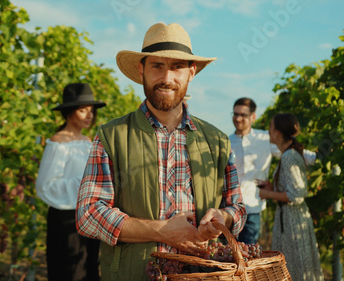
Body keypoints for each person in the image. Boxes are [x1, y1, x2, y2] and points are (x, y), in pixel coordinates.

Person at [76, 23, 247, 281]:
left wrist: (222, 216)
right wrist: (162, 231)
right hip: (130, 275)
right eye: (157, 66)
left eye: (177, 66)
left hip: (200, 274)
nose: (167, 78)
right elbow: (88, 214)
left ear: (191, 73)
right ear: (141, 69)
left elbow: (238, 208)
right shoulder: (112, 136)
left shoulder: (217, 141)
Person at [35, 83, 105, 281]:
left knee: (90, 269)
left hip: (88, 216)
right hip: (66, 219)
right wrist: (84, 184)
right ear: (69, 112)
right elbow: (44, 186)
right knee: (70, 272)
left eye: (91, 111)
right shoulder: (58, 142)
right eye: (83, 110)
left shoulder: (86, 140)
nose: (89, 115)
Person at [229, 98, 316, 244]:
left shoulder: (265, 139)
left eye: (243, 115)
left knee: (249, 255)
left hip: (253, 207)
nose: (238, 118)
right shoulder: (226, 141)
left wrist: (319, 158)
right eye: (235, 114)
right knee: (228, 255)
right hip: (230, 207)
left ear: (253, 117)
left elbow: (290, 151)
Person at [257, 113, 324, 281]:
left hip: (293, 221)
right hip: (289, 219)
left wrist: (267, 194)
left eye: (271, 128)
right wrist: (273, 187)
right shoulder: (289, 154)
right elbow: (292, 189)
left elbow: (296, 195)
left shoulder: (289, 157)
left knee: (295, 268)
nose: (268, 131)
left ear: (278, 133)